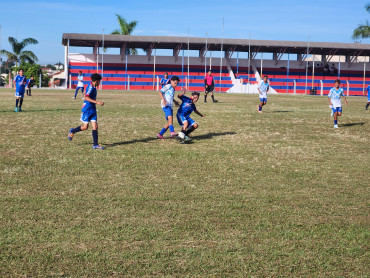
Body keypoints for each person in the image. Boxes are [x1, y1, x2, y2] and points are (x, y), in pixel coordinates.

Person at [68, 73, 105, 149]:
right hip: (87, 109)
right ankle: (72, 131)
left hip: (93, 109)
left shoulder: (94, 87)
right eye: (99, 81)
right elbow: (86, 98)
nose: (100, 83)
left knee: (95, 126)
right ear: (96, 81)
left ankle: (95, 144)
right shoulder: (90, 87)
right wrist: (97, 102)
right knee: (85, 127)